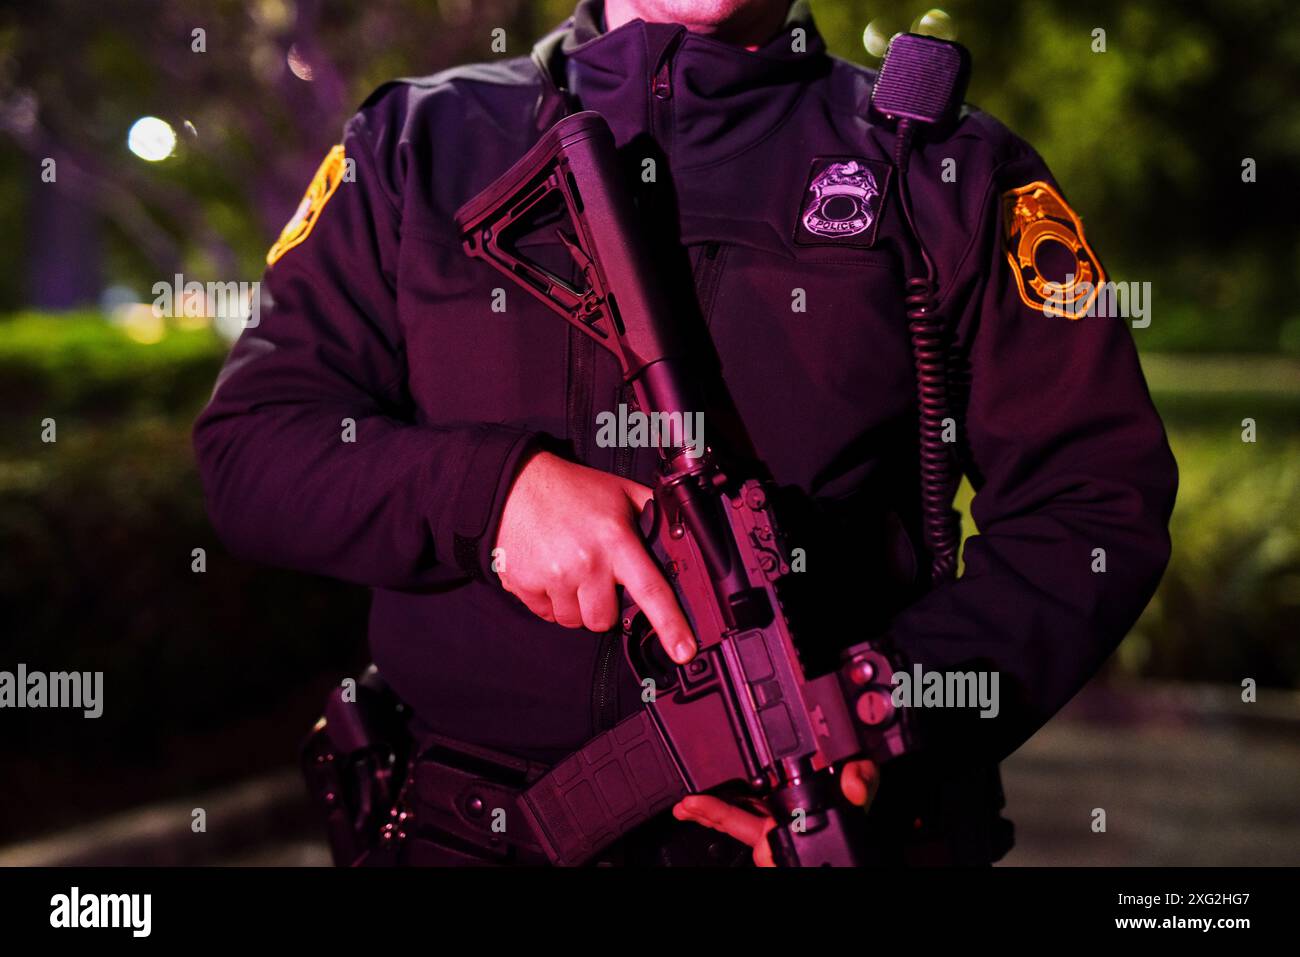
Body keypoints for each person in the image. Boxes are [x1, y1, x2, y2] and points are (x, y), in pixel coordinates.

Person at [194, 0, 1177, 866]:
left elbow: (1093, 505)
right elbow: (255, 449)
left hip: (810, 831)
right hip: (463, 835)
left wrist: (885, 714)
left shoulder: (947, 168)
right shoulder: (417, 142)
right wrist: (488, 498)